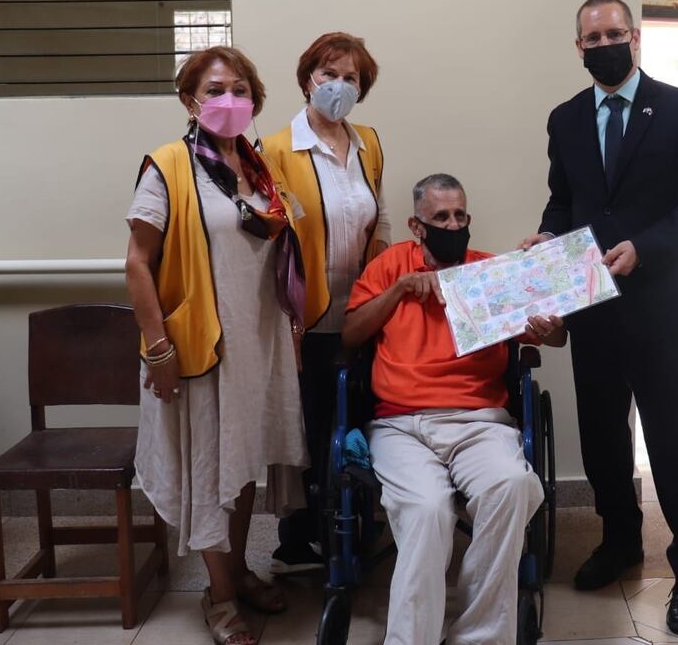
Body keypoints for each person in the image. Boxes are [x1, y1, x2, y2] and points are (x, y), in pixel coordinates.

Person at [521, 0, 678, 635]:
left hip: (662, 304)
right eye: (593, 37)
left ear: (634, 38)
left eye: (615, 34)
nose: (605, 45)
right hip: (592, 305)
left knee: (671, 436)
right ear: (578, 47)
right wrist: (547, 237)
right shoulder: (565, 118)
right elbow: (564, 200)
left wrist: (646, 248)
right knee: (603, 435)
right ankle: (619, 539)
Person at [125, 46, 309, 645]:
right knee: (210, 472)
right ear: (190, 100)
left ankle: (237, 571)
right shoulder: (169, 166)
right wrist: (158, 349)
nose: (229, 100)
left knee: (242, 462)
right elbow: (138, 263)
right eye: (215, 89)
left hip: (258, 345)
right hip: (200, 347)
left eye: (240, 90)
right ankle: (221, 597)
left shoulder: (261, 171)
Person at [342, 174, 565, 645]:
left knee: (512, 485)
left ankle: (478, 636)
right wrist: (400, 290)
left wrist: (550, 328)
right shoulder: (390, 266)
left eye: (460, 215)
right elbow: (351, 335)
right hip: (400, 423)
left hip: (479, 420)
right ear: (416, 226)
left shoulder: (488, 273)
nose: (453, 224)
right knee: (426, 509)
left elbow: (556, 335)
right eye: (441, 217)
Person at [261, 32, 390, 575]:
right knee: (309, 429)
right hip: (302, 319)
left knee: (357, 422)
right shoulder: (274, 150)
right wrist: (284, 320)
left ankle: (355, 529)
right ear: (307, 79)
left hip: (360, 314)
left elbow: (380, 220)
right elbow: (270, 244)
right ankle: (302, 539)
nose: (339, 85)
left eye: (351, 78)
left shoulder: (369, 143)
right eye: (329, 74)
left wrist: (380, 290)